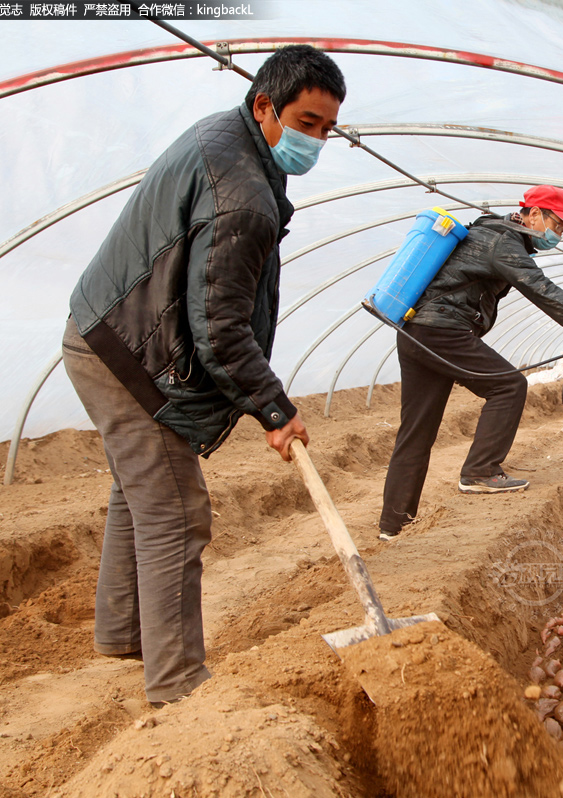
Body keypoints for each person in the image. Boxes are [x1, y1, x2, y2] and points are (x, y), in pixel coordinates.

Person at [62, 46, 345, 704]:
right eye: (306, 123)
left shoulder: (225, 139)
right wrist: (273, 408)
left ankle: (122, 633)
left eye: (328, 130)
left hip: (108, 329)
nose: (316, 141)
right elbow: (219, 328)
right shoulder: (243, 196)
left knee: (139, 494)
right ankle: (178, 684)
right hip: (130, 356)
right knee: (175, 512)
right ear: (264, 106)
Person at [378, 185, 563, 540]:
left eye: (562, 230)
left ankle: (393, 527)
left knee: (416, 433)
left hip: (416, 333)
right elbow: (542, 290)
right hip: (442, 331)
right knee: (509, 385)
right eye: (557, 225)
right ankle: (480, 471)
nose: (557, 235)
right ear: (532, 214)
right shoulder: (502, 240)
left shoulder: (495, 235)